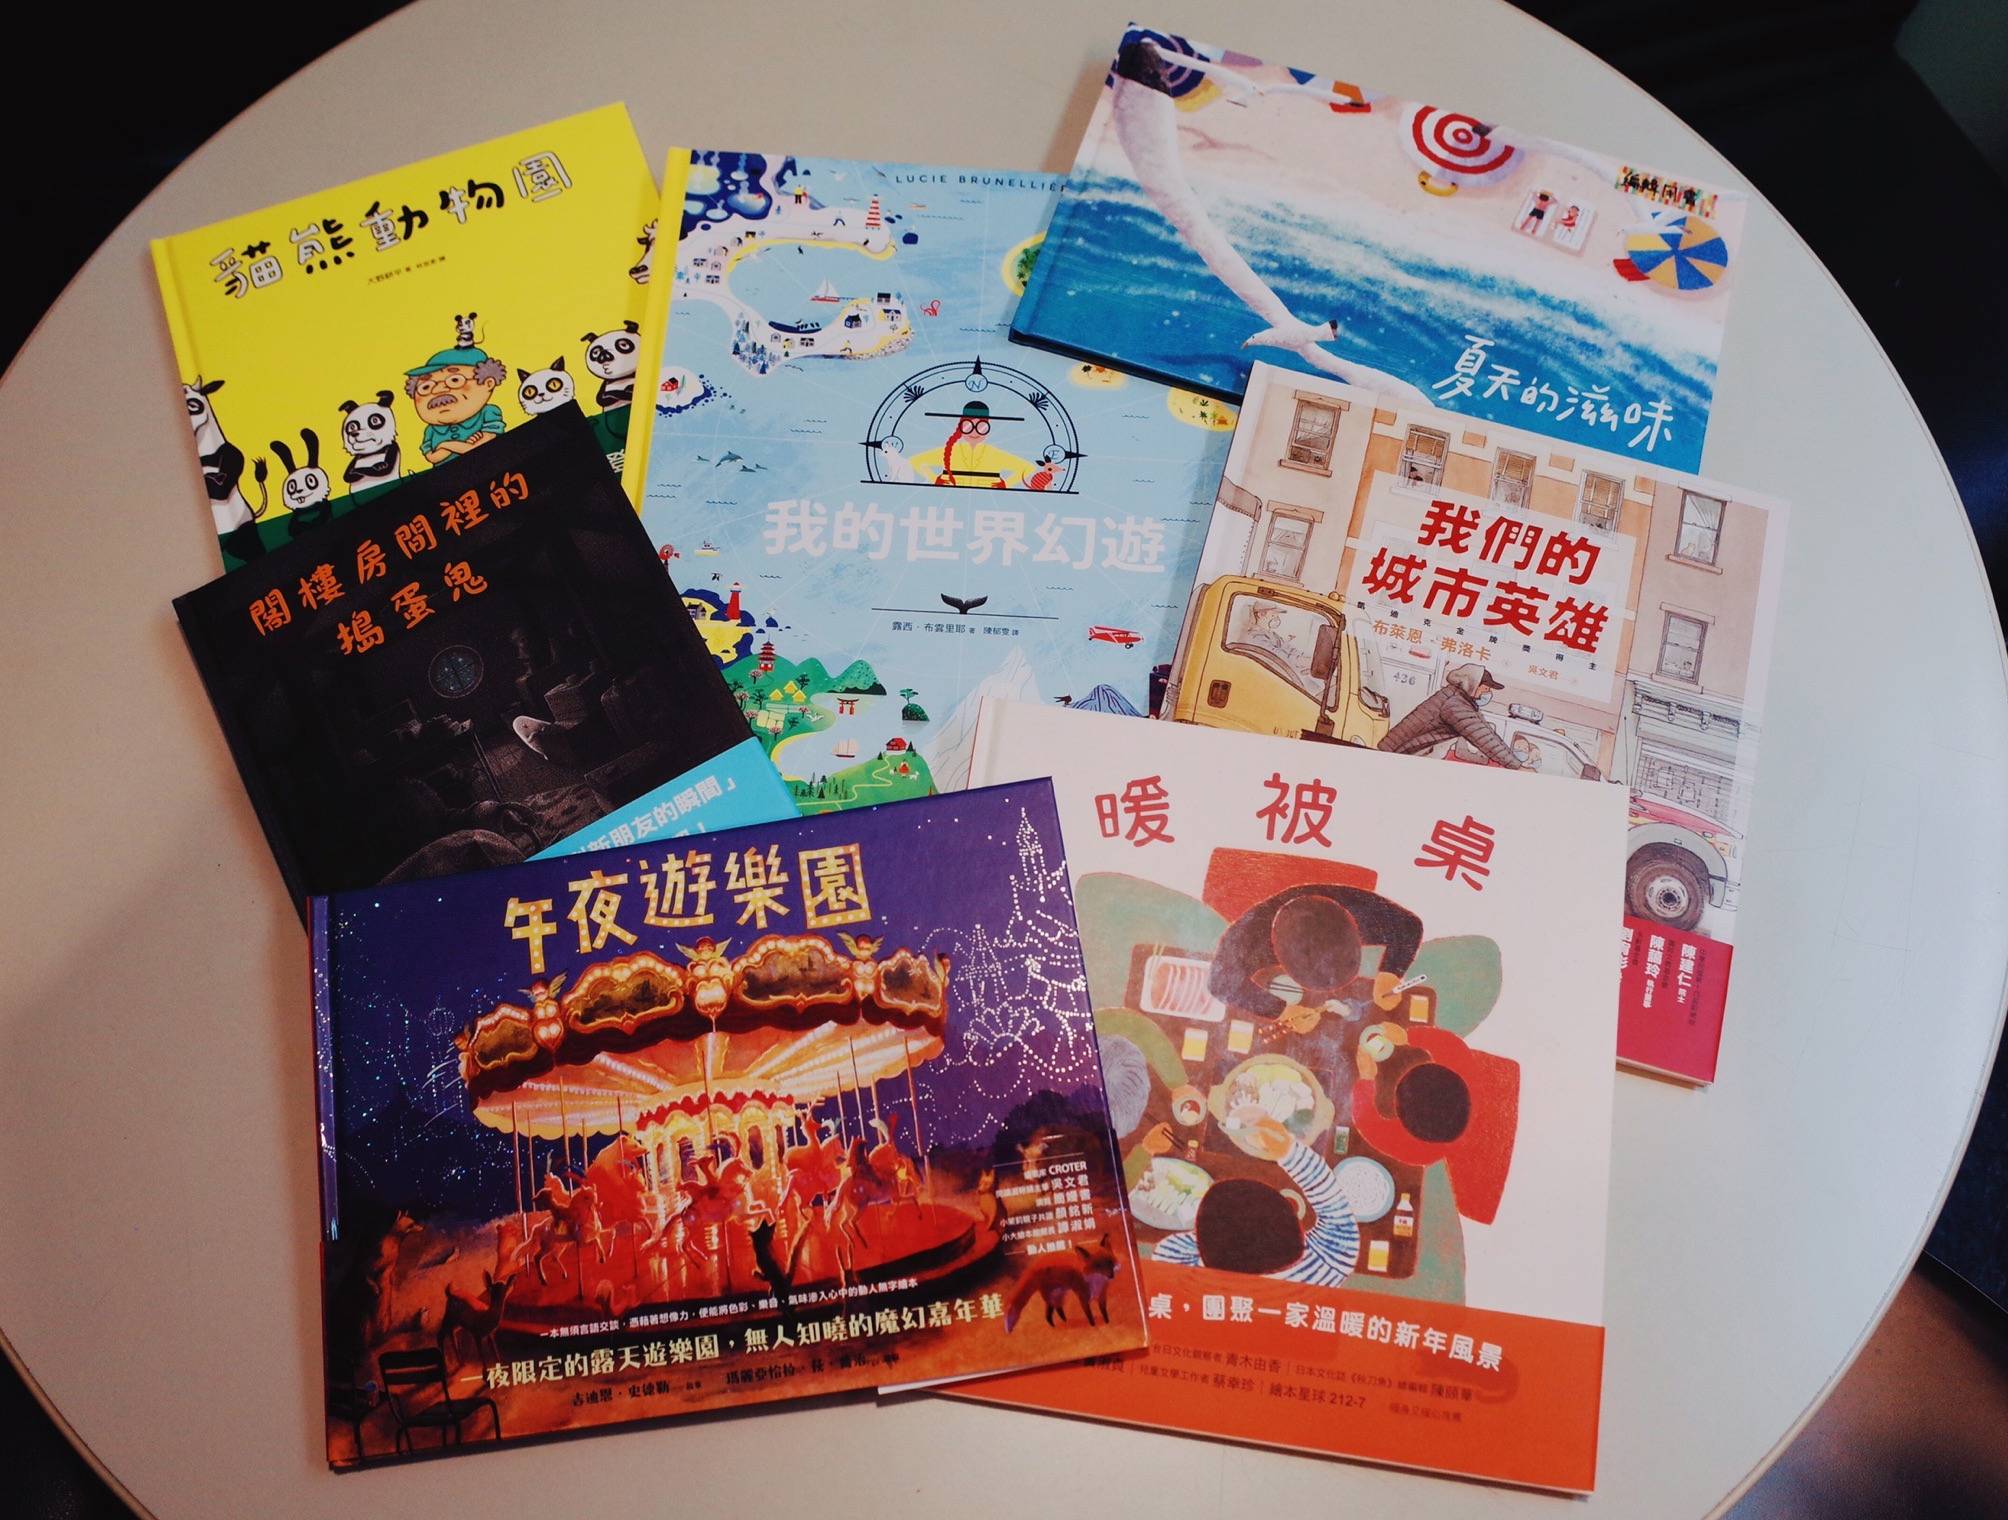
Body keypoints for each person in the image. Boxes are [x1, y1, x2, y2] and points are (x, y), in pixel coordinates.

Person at [1147, 1111, 1358, 1284]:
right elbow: (1334, 1210)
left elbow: (1179, 1246)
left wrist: (1146, 1152)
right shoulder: (1329, 1266)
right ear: (1296, 1233)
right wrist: (1288, 1151)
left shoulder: (1176, 1270)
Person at [1377, 663, 1527, 769]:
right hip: (1402, 755)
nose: (1487, 694)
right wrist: (1517, 766)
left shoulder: (1458, 698)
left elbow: (1485, 729)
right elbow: (1484, 736)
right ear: (1473, 684)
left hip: (1400, 753)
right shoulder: (1455, 704)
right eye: (1486, 688)